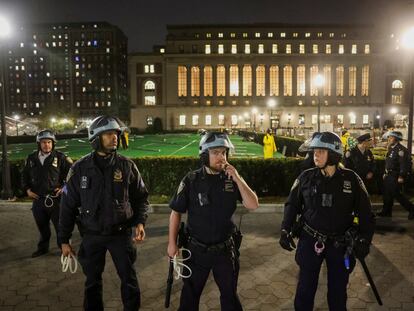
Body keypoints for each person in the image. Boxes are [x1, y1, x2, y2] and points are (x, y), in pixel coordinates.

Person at [59, 116, 149, 311]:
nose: (114, 138)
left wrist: (140, 222)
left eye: (116, 134)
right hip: (92, 235)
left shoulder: (127, 166)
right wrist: (64, 240)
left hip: (120, 234)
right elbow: (67, 206)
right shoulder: (79, 169)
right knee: (92, 283)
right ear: (96, 137)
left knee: (129, 280)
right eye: (109, 134)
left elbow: (141, 198)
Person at [279, 131, 375, 311]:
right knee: (305, 291)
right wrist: (285, 229)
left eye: (321, 151)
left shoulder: (351, 179)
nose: (315, 155)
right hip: (310, 241)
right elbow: (291, 205)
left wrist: (364, 240)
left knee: (338, 294)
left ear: (333, 154)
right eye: (315, 151)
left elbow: (366, 214)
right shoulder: (306, 177)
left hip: (340, 244)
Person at [168, 131, 259, 311]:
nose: (221, 157)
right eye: (216, 152)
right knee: (189, 298)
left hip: (225, 251)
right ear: (204, 155)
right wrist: (172, 243)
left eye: (224, 152)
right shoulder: (191, 180)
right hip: (196, 251)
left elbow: (253, 204)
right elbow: (176, 212)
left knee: (229, 297)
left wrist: (238, 178)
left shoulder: (231, 179)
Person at [22, 129, 73, 257]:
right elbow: (24, 176)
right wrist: (27, 190)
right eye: (44, 142)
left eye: (49, 142)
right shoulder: (31, 158)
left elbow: (72, 176)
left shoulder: (61, 157)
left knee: (60, 227)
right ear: (39, 144)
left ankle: (64, 248)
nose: (46, 145)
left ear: (53, 143)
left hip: (55, 200)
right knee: (42, 228)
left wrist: (64, 188)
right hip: (38, 200)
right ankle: (43, 248)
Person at [377, 131, 414, 220]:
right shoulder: (392, 148)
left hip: (395, 175)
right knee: (387, 194)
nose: (389, 139)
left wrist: (401, 176)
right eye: (389, 137)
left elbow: (403, 164)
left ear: (396, 139)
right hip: (388, 175)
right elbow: (389, 163)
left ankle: (412, 209)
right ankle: (386, 212)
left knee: (397, 194)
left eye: (391, 137)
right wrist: (385, 173)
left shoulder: (401, 150)